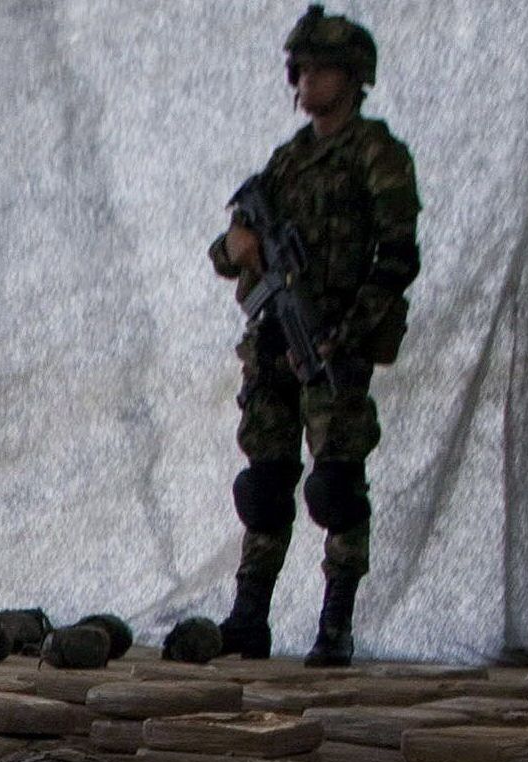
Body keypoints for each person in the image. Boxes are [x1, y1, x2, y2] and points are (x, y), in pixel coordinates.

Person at [212, 7, 419, 666]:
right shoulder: (286, 162)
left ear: (352, 77)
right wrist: (235, 247)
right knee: (264, 483)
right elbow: (228, 249)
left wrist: (347, 334)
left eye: (319, 68)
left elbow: (396, 257)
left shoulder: (376, 154)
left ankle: (335, 624)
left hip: (333, 341)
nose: (304, 80)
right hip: (274, 339)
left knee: (335, 485)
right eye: (298, 68)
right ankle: (248, 616)